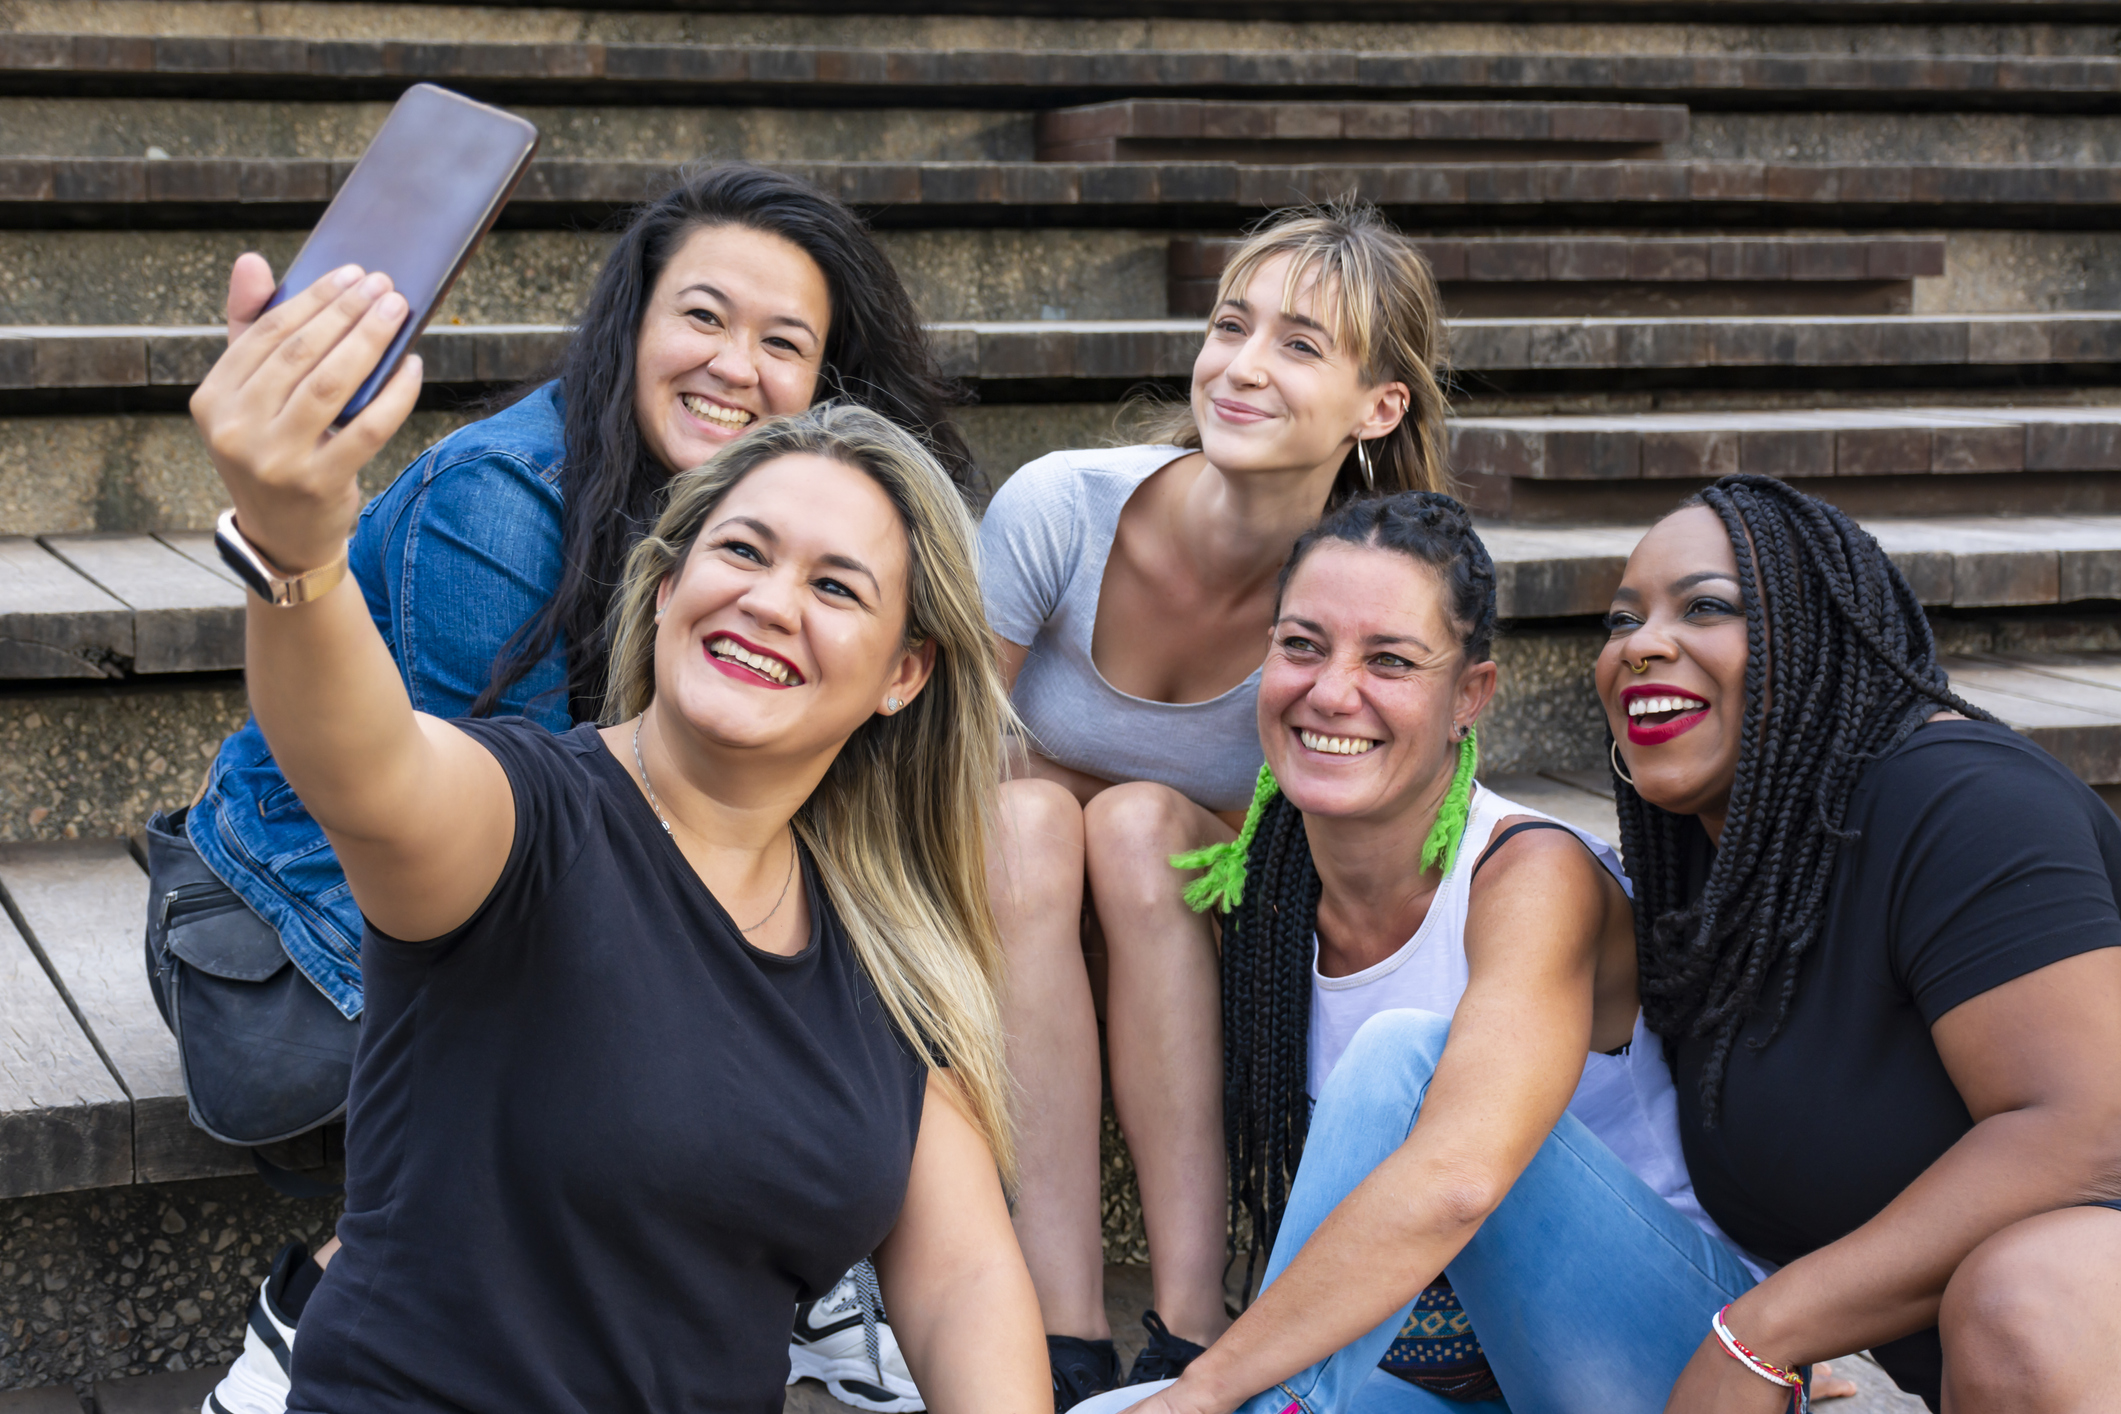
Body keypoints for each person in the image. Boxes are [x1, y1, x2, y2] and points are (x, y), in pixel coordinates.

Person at [176, 164, 974, 1414]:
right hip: (328, 880)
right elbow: (394, 780)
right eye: (704, 316)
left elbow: (967, 1274)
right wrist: (292, 544)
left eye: (785, 341)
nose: (736, 364)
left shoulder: (872, 914)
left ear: (903, 672)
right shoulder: (497, 507)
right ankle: (312, 1302)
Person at [1096, 491, 1785, 1414]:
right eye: (1300, 645)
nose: (1332, 691)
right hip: (1458, 1384)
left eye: (1389, 659)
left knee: (1398, 1055)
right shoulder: (1265, 894)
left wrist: (1202, 1390)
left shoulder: (1531, 876)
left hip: (1669, 1361)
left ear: (1471, 694)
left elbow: (1458, 1180)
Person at [976, 201, 1451, 1406]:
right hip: (1012, 888)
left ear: (1377, 407)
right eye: (1231, 325)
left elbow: (1388, 841)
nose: (1240, 366)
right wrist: (1062, 796)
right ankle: (1061, 1319)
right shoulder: (1063, 509)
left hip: (1220, 917)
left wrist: (1110, 795)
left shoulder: (1381, 594)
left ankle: (1189, 1314)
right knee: (1031, 822)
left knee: (1134, 828)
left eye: (1299, 344)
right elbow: (945, 762)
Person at [1593, 477, 2121, 1412]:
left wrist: (1758, 1335)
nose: (1641, 645)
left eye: (1706, 607)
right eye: (1619, 621)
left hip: (2070, 1319)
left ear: (1816, 634)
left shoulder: (1958, 799)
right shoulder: (1730, 890)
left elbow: (2088, 1133)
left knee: (2028, 1297)